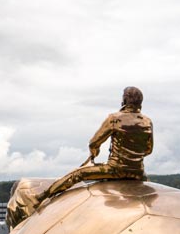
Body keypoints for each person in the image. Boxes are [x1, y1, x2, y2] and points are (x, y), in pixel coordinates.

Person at [11, 87, 152, 225]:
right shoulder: (147, 121)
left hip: (115, 169)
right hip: (138, 173)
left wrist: (94, 152)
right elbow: (148, 150)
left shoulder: (114, 118)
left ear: (125, 100)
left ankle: (41, 196)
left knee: (77, 174)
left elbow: (94, 142)